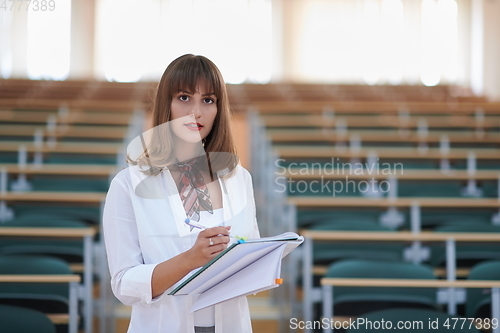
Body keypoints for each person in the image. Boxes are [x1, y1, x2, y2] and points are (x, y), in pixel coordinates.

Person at [103, 54, 260, 333]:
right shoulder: (128, 184)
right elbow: (124, 284)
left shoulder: (238, 179)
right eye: (184, 98)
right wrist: (190, 260)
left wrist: (262, 260)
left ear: (218, 108)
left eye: (208, 100)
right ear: (167, 104)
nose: (196, 112)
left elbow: (250, 254)